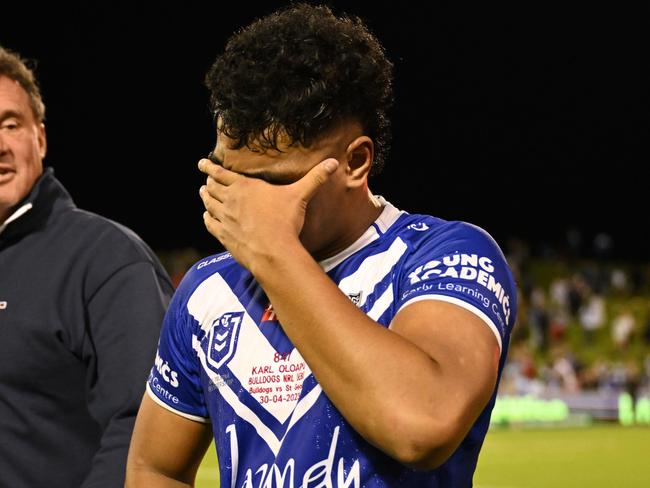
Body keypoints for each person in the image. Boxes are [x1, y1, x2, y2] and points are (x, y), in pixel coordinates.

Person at [126, 4, 517, 487]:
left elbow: (423, 426)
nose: (241, 203)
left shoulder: (446, 255)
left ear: (355, 162)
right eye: (227, 175)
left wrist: (275, 252)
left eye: (271, 183)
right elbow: (155, 467)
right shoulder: (208, 289)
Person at [0, 46, 174, 487]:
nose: (0, 146)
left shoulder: (106, 260)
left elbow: (142, 427)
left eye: (10, 125)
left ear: (39, 137)